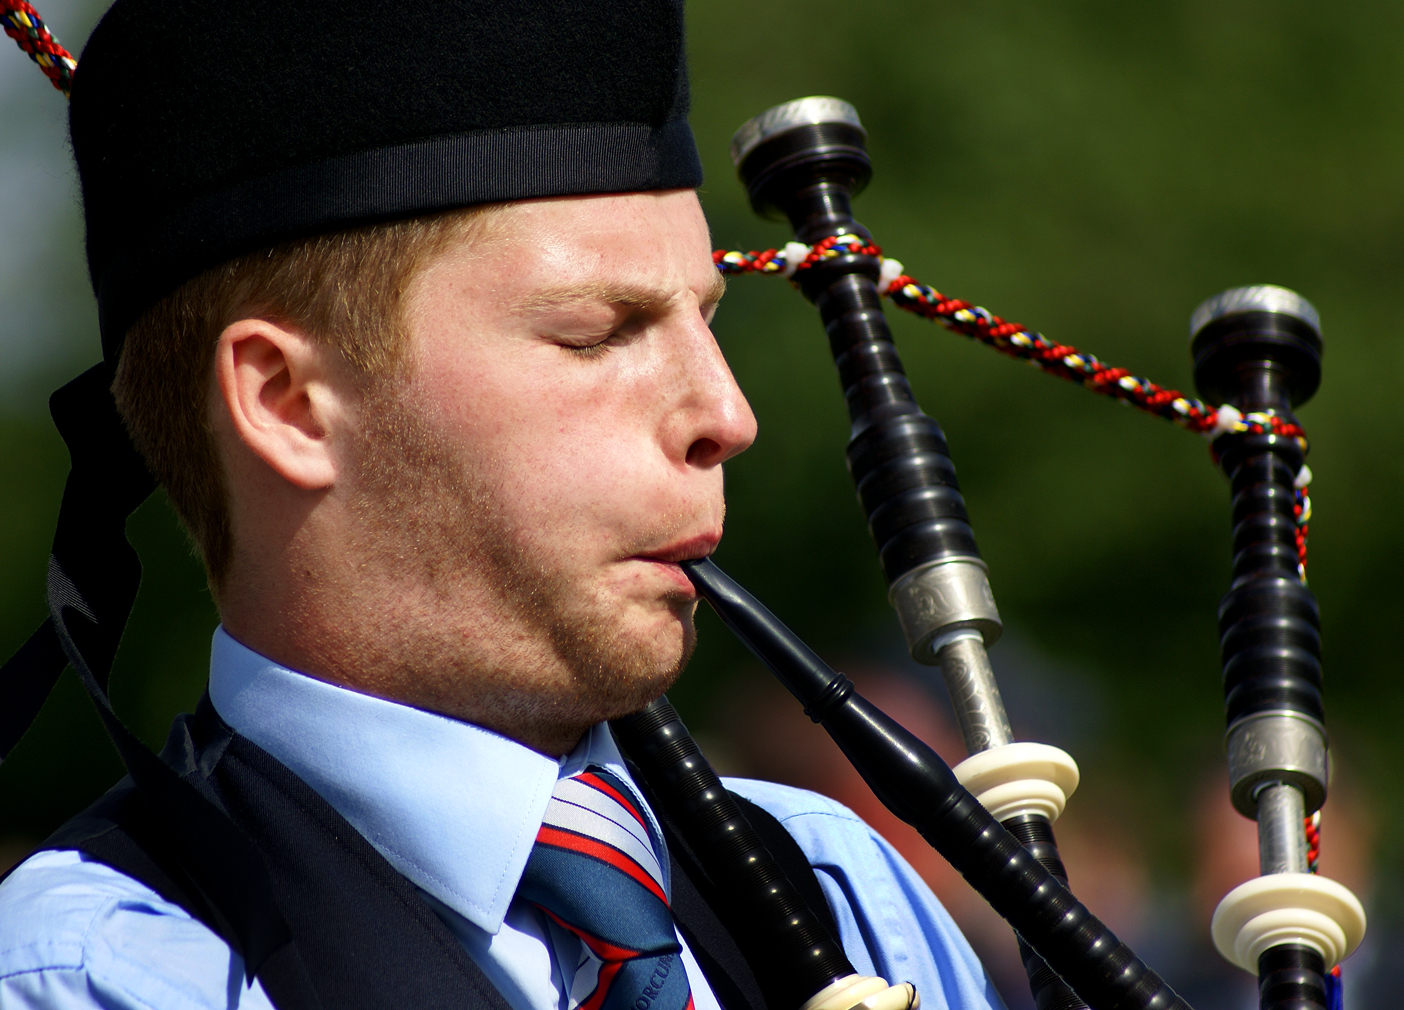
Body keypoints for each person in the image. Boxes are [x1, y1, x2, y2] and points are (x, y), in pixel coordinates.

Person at [0, 3, 1005, 1010]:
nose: (726, 415)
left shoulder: (843, 894)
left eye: (705, 319)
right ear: (288, 402)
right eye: (597, 333)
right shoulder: (96, 979)